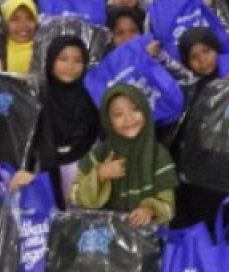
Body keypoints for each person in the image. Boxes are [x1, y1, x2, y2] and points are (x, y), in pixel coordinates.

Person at [72, 83, 177, 226]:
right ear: (108, 121)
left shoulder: (159, 155)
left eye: (135, 109)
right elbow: (74, 195)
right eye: (118, 114)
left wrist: (150, 210)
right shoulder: (99, 153)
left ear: (145, 111)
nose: (128, 118)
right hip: (103, 233)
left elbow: (168, 207)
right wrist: (100, 175)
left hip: (144, 235)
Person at [34, 36, 98, 207]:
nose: (70, 66)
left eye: (78, 61)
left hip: (84, 170)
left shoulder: (92, 95)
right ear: (51, 61)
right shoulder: (36, 96)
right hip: (45, 171)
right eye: (63, 59)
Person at [0, 0, 39, 74]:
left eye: (29, 18)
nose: (23, 25)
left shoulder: (44, 51)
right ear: (5, 23)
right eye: (15, 19)